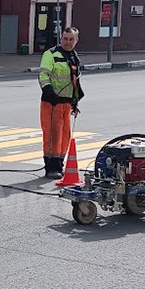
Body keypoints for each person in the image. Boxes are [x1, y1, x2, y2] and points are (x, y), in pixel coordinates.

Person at [37, 26, 84, 179]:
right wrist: (49, 91)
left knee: (64, 136)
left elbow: (74, 81)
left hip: (66, 104)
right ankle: (51, 168)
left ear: (76, 41)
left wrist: (75, 103)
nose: (67, 42)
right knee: (53, 137)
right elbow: (43, 74)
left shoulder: (74, 57)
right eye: (65, 38)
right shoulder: (50, 54)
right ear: (60, 38)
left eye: (71, 39)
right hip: (52, 103)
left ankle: (59, 164)